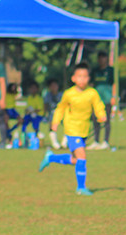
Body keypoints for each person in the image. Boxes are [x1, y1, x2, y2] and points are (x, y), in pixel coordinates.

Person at [37, 61, 106, 196]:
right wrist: (55, 122)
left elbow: (98, 105)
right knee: (82, 156)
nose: (82, 79)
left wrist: (101, 115)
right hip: (72, 129)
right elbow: (60, 108)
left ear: (89, 78)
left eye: (85, 76)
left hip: (84, 130)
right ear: (73, 78)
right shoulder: (69, 94)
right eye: (79, 76)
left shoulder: (92, 93)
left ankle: (51, 158)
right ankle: (81, 187)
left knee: (75, 160)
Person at [88, 51, 115, 149]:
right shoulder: (95, 71)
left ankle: (106, 141)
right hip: (96, 100)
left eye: (103, 57)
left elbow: (114, 84)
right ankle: (96, 141)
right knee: (95, 120)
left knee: (106, 120)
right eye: (100, 58)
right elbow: (91, 83)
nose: (101, 60)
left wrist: (114, 97)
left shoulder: (111, 70)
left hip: (107, 99)